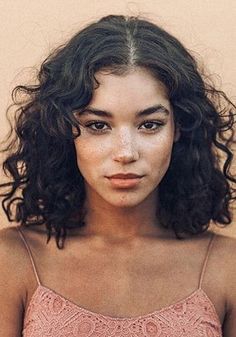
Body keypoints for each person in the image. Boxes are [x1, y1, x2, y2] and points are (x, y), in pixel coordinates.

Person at [0, 14, 235, 337]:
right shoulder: (12, 260)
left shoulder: (227, 267)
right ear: (63, 131)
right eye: (98, 125)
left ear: (179, 128)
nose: (126, 152)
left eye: (149, 124)